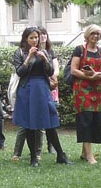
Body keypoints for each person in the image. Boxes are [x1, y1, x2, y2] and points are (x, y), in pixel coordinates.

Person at [12, 26, 69, 166]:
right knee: (30, 124)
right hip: (28, 89)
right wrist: (29, 57)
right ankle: (33, 158)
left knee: (49, 121)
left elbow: (50, 72)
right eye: (31, 37)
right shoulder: (19, 53)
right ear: (25, 39)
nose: (34, 40)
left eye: (36, 37)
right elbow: (20, 72)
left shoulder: (43, 51)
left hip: (42, 88)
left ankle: (60, 155)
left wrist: (45, 59)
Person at [70, 24, 101, 164]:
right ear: (87, 35)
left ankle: (84, 153)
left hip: (97, 90)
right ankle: (90, 156)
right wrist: (88, 77)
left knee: (95, 120)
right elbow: (74, 70)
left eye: (98, 34)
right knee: (85, 120)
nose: (95, 36)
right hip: (82, 90)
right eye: (93, 33)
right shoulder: (79, 50)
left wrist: (98, 75)